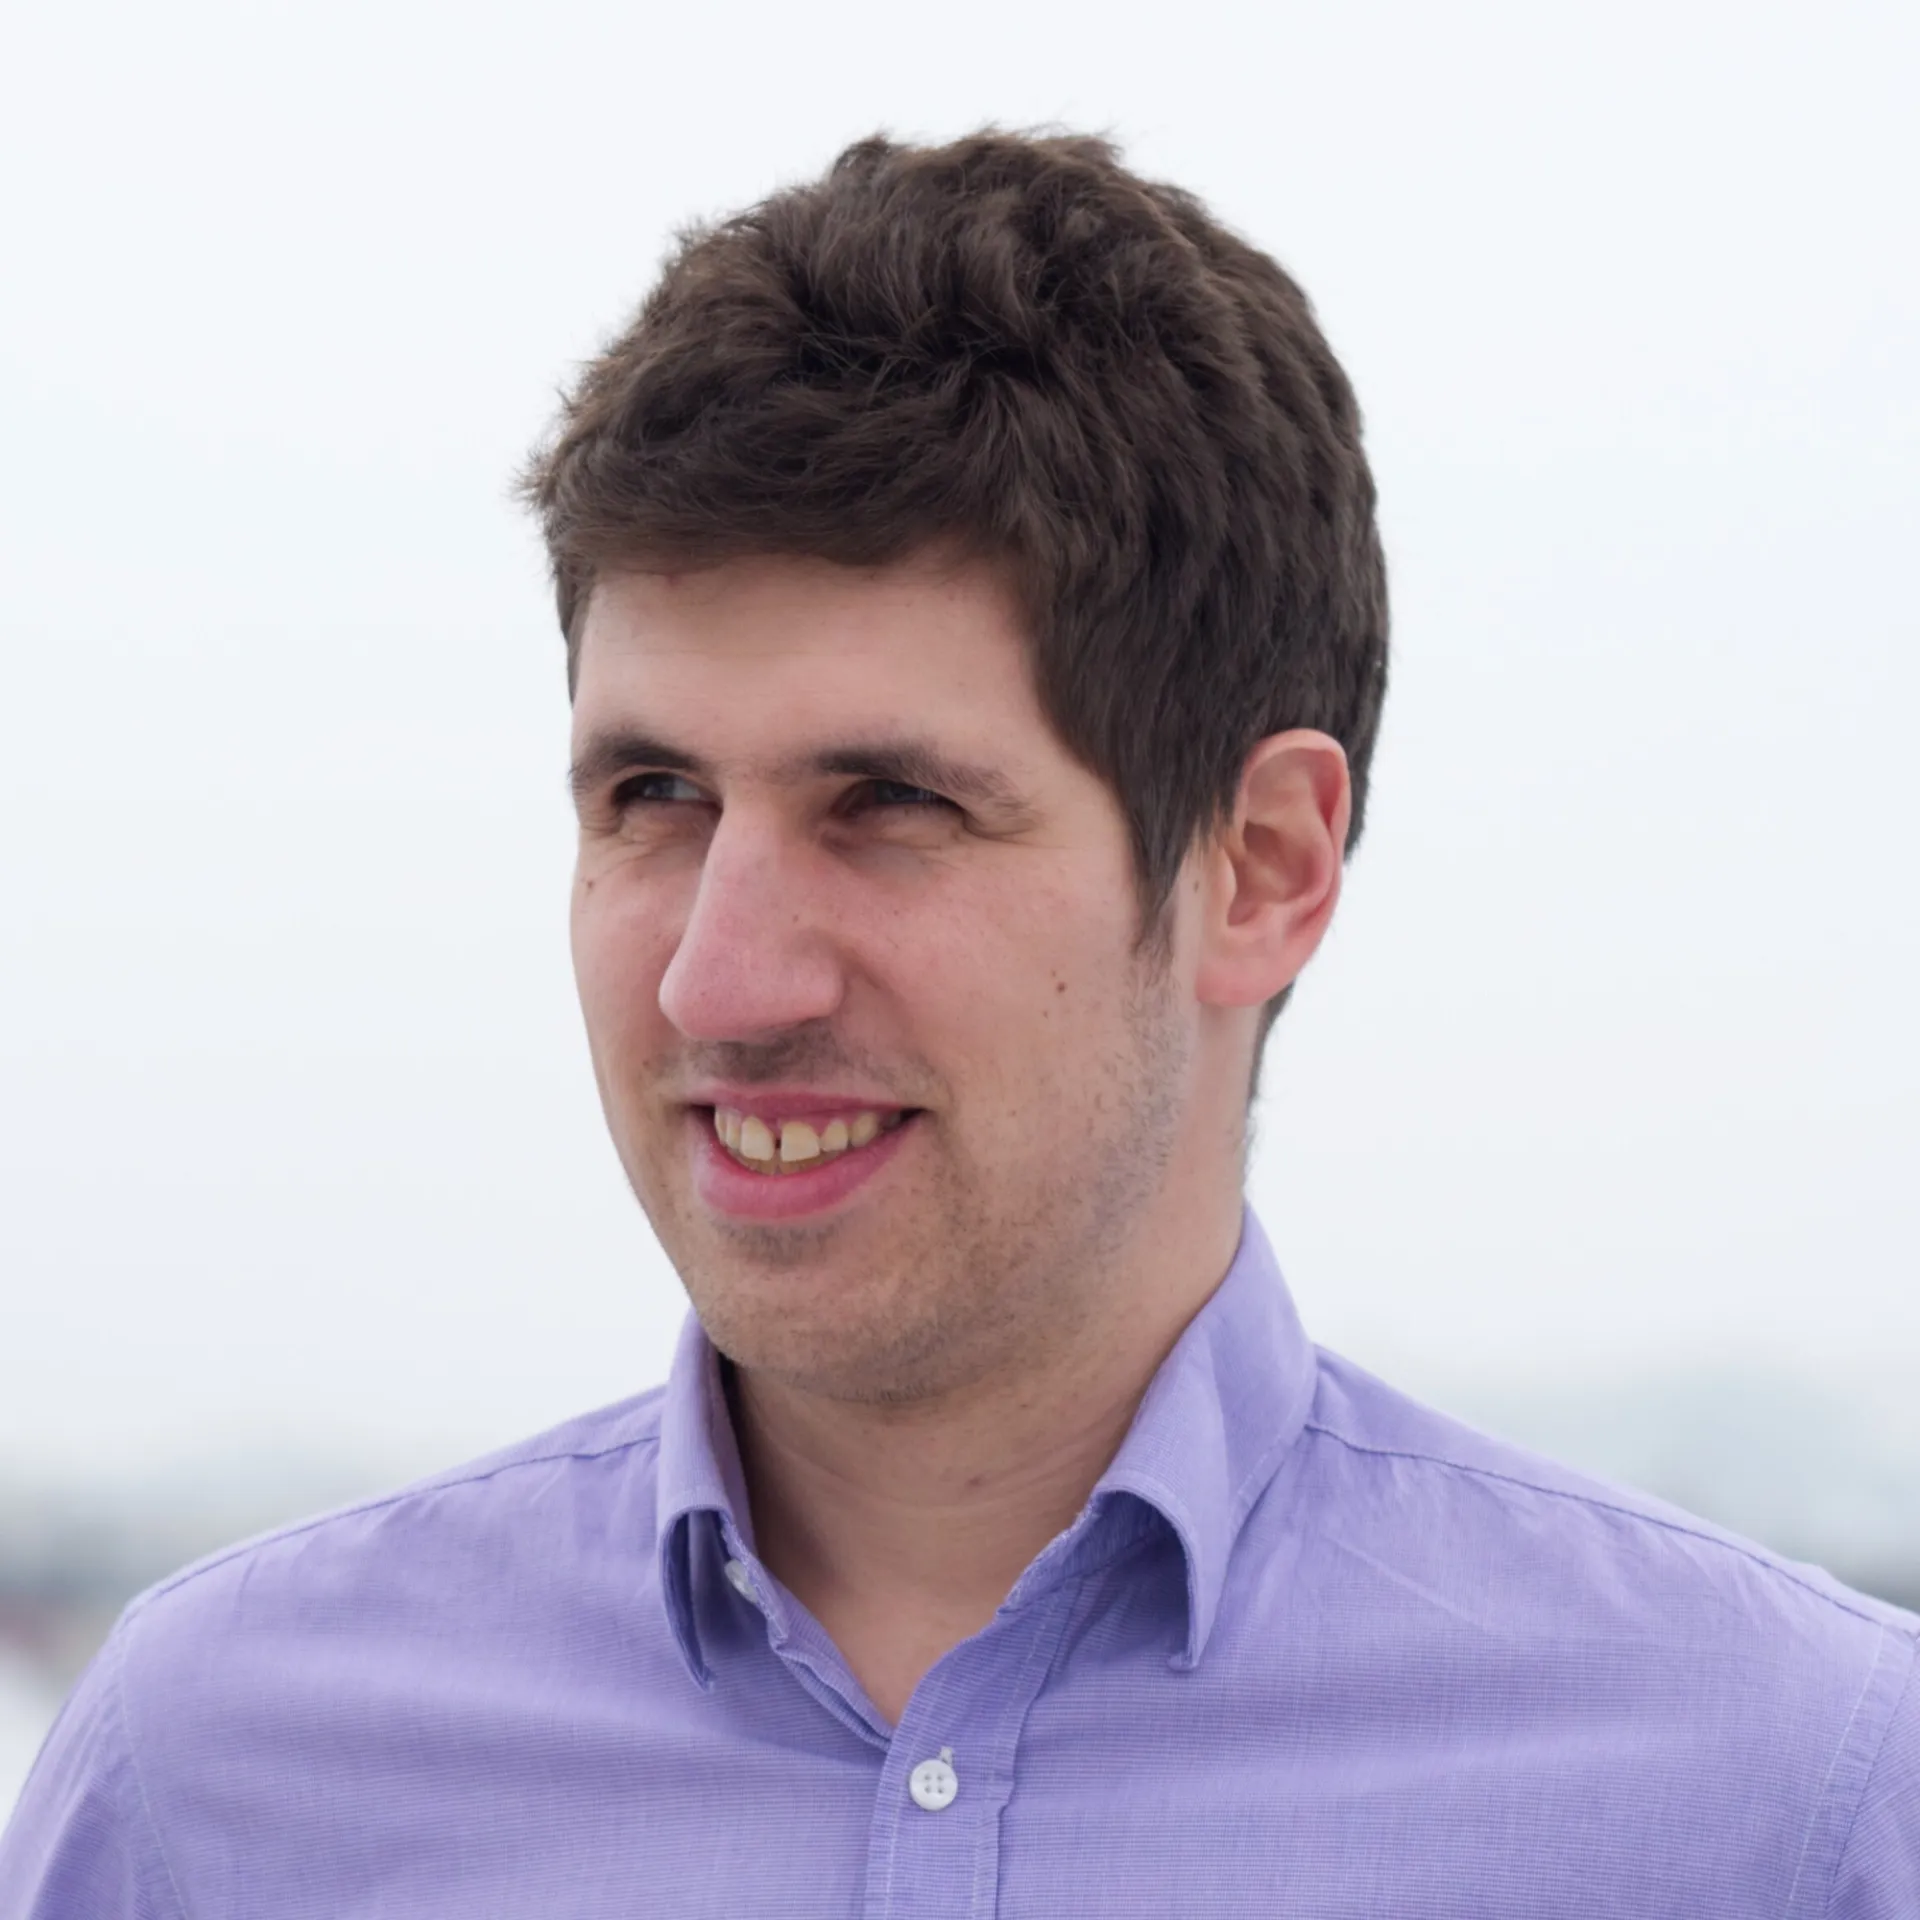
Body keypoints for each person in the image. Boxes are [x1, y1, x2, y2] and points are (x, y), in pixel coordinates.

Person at [2, 128, 1913, 1919]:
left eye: (894, 805)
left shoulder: (1788, 1804)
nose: (718, 983)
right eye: (654, 798)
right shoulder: (211, 1790)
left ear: (1260, 868)